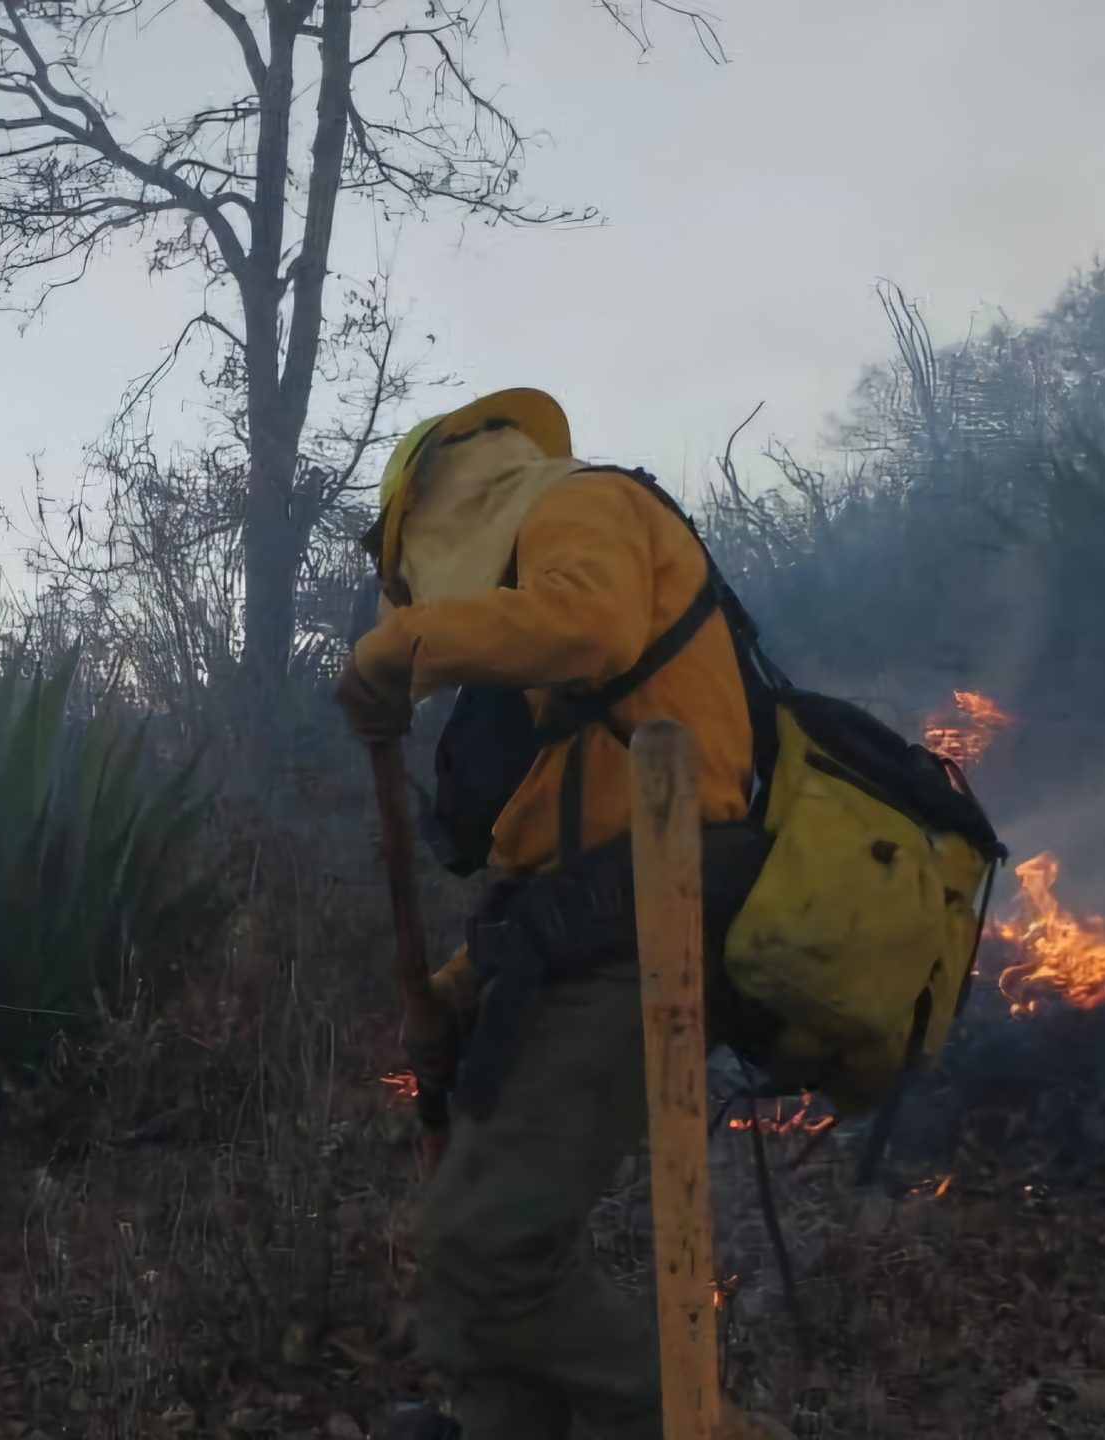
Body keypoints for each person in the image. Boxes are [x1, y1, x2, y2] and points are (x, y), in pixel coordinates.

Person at [337, 389, 784, 1440]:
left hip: (651, 929)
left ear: (439, 501)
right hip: (588, 941)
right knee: (472, 1289)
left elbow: (587, 622)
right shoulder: (562, 700)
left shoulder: (578, 504)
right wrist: (456, 988)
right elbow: (550, 865)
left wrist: (398, 652)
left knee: (485, 1253)